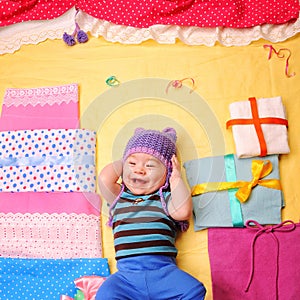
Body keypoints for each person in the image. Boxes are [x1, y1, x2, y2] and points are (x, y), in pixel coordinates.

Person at [96, 127, 206, 300]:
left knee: (194, 290)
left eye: (150, 165)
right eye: (132, 164)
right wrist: (127, 159)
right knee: (105, 294)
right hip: (126, 277)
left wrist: (176, 178)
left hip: (163, 272)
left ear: (166, 172)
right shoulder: (120, 196)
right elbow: (104, 179)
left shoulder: (165, 198)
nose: (139, 170)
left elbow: (183, 211)